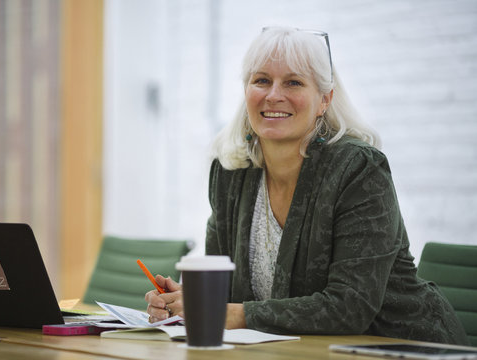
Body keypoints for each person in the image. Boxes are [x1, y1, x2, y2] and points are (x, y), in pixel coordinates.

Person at [145, 26, 469, 345]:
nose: (274, 95)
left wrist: (229, 313)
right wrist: (190, 300)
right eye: (261, 80)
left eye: (293, 82)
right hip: (292, 349)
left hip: (399, 346)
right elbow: (229, 292)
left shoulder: (357, 169)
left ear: (324, 100)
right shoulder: (230, 170)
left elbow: (350, 307)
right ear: (246, 92)